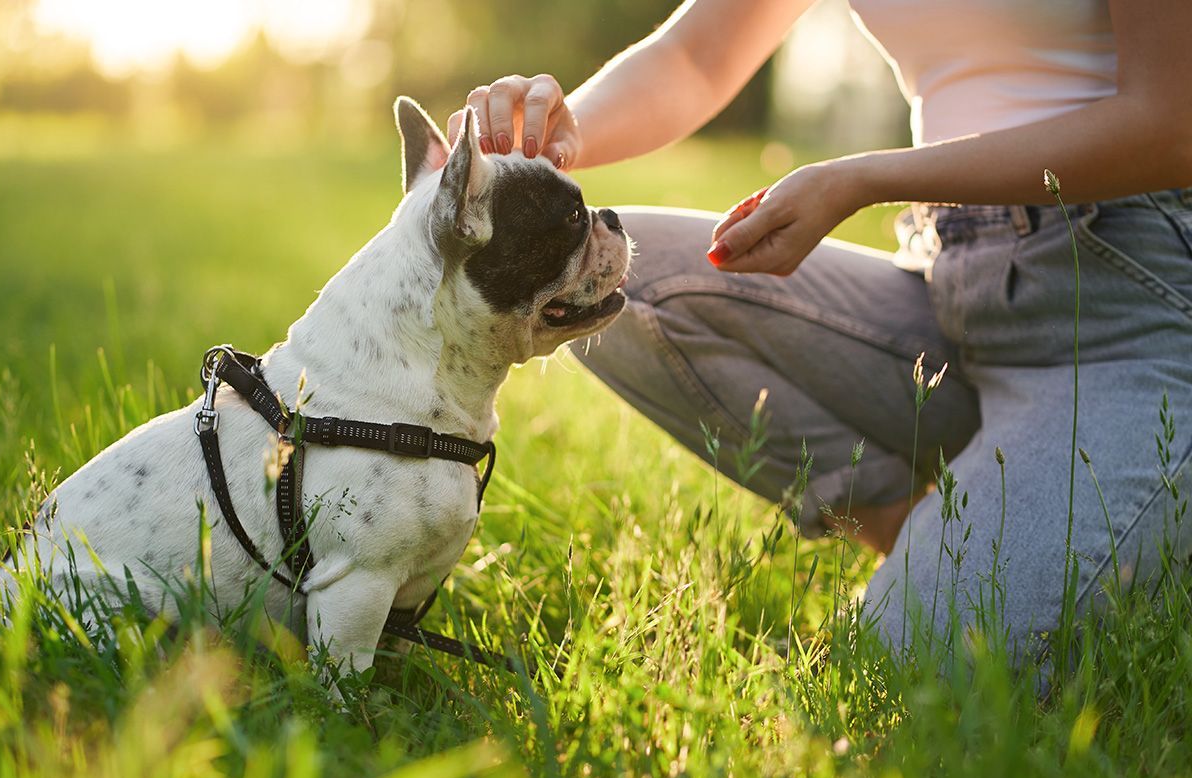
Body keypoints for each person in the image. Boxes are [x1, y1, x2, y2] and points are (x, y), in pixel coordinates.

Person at [448, 0, 1192, 657]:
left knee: (914, 666)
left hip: (1133, 310)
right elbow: (695, 58)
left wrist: (867, 178)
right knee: (623, 281)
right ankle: (919, 535)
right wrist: (539, 141)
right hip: (954, 281)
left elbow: (1173, 120)